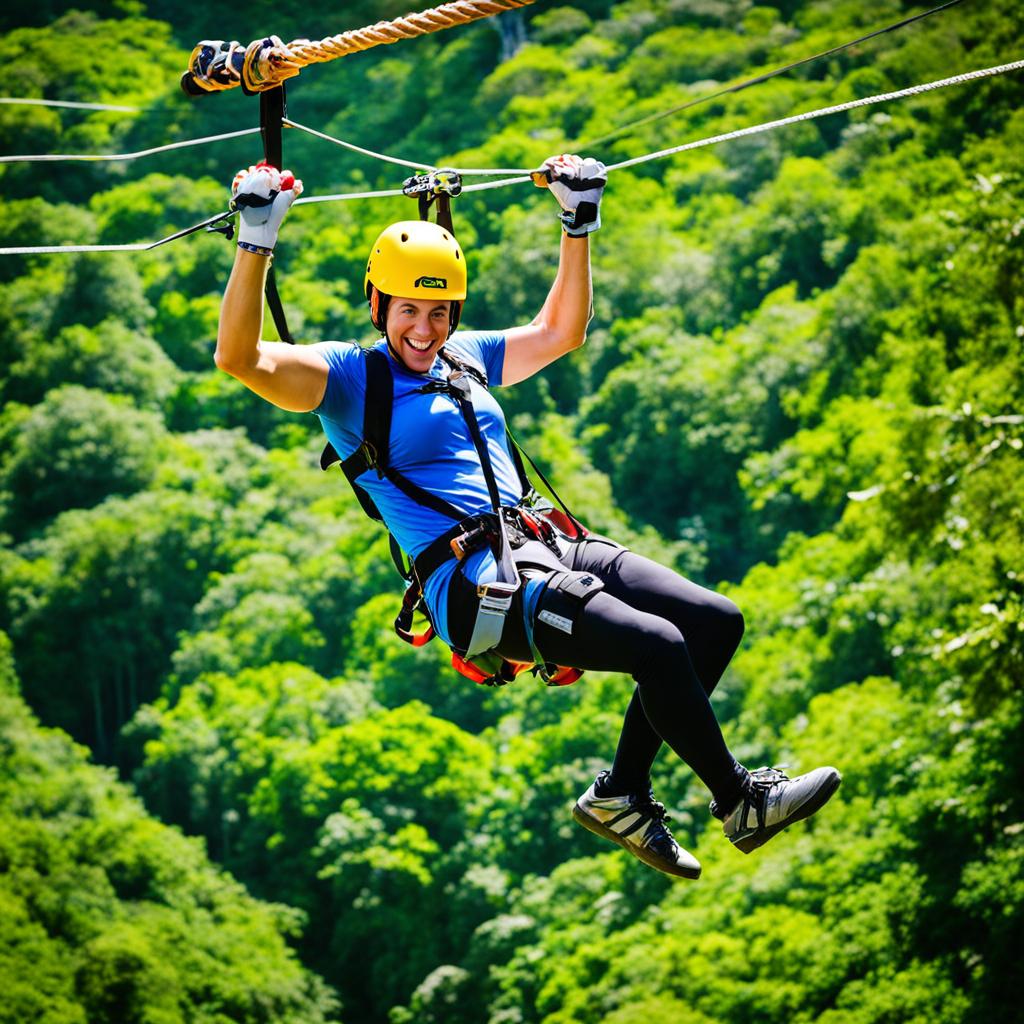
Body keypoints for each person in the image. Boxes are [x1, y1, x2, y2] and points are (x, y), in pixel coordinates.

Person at [216, 156, 841, 880]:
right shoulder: (351, 380)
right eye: (410, 311)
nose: (426, 328)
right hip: (475, 582)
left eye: (440, 310)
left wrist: (577, 223)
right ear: (378, 305)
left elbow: (559, 331)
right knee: (660, 646)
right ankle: (738, 800)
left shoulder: (466, 357)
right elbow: (241, 357)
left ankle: (622, 795)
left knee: (712, 623)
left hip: (542, 543)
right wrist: (255, 239)